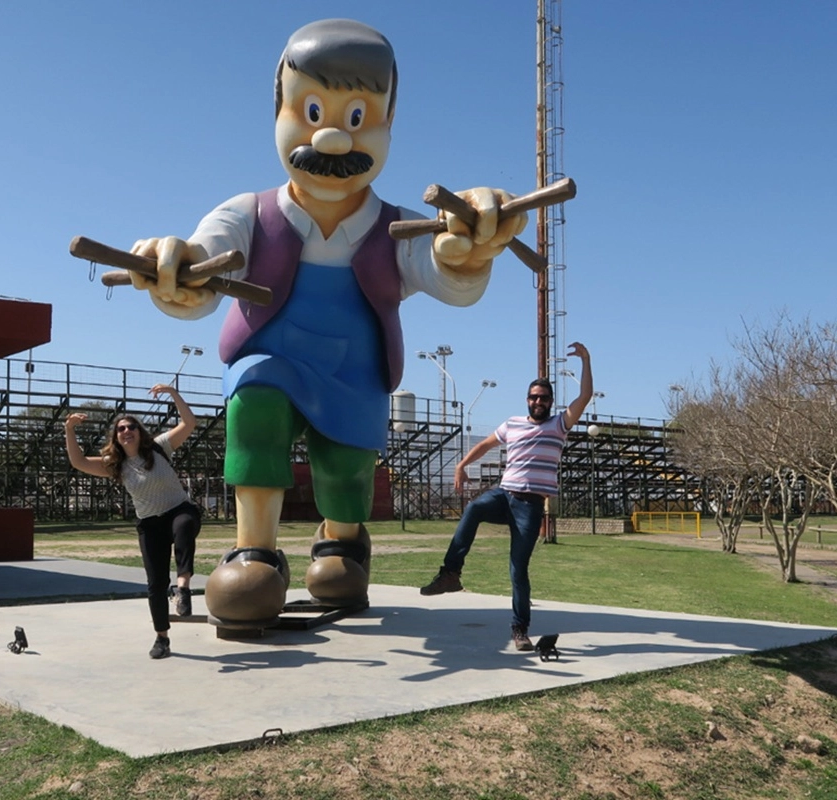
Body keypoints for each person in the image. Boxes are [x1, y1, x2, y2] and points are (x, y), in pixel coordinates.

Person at [123, 19, 527, 630]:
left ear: (389, 123)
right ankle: (254, 553)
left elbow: (449, 276)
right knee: (254, 413)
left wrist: (470, 249)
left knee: (345, 468)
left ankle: (341, 538)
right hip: (269, 356)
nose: (333, 138)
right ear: (278, 112)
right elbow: (206, 263)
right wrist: (178, 270)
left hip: (355, 371)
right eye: (312, 112)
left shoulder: (401, 228)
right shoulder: (249, 215)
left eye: (358, 116)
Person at [420, 342, 594, 651]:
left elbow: (585, 396)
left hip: (530, 506)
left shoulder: (559, 424)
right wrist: (461, 465)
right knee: (474, 508)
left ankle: (519, 629)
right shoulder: (512, 424)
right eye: (533, 397)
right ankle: (450, 574)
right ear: (527, 399)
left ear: (551, 401)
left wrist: (586, 361)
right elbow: (485, 445)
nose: (538, 401)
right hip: (504, 495)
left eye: (543, 398)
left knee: (518, 569)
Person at [64, 384, 201, 659]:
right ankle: (162, 638)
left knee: (184, 526)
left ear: (140, 432)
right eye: (121, 429)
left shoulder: (160, 447)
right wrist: (69, 430)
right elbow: (78, 462)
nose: (127, 431)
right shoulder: (115, 464)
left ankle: (183, 588)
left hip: (179, 510)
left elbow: (189, 423)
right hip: (150, 524)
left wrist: (173, 393)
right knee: (155, 584)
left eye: (132, 427)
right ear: (116, 437)